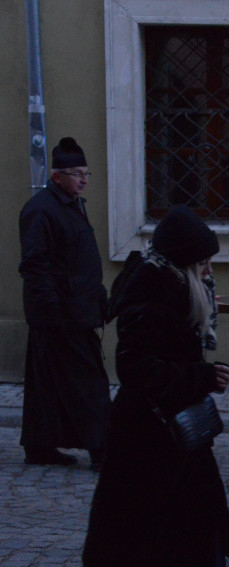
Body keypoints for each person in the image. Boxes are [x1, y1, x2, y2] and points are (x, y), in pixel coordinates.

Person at [38, 205, 229, 567]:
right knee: (120, 532)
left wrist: (199, 376)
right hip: (146, 435)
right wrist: (201, 377)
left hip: (177, 432)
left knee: (207, 524)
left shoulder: (173, 285)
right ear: (184, 260)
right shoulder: (151, 294)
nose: (209, 268)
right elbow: (135, 367)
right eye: (203, 260)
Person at [18, 137, 110, 469]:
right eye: (77, 173)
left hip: (76, 310)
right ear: (57, 176)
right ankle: (103, 449)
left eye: (87, 173)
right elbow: (35, 266)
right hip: (60, 314)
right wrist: (51, 312)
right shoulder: (41, 210)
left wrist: (98, 297)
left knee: (47, 383)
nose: (84, 180)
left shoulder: (73, 204)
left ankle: (40, 446)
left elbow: (81, 258)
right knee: (88, 384)